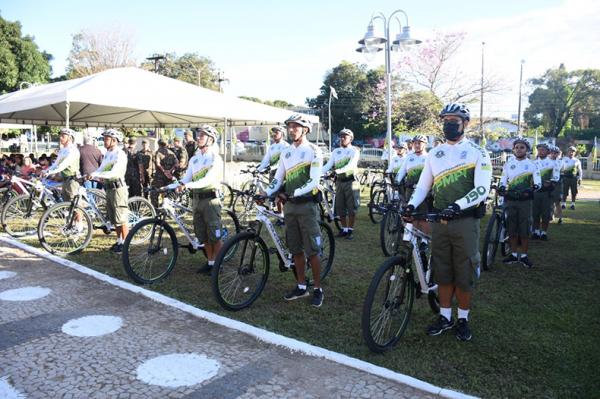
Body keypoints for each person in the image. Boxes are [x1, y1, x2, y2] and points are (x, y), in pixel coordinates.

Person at [402, 103, 492, 341]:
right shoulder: (435, 153)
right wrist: (411, 204)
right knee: (443, 271)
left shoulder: (478, 152)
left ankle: (462, 319)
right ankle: (444, 316)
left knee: (464, 273)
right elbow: (423, 185)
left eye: (455, 120)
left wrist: (457, 206)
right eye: (446, 120)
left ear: (466, 123)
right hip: (439, 221)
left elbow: (482, 189)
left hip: (464, 221)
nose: (449, 124)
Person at [264, 114, 325, 307]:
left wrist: (295, 193)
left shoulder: (314, 151)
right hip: (290, 207)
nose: (291, 130)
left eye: (296, 127)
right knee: (295, 249)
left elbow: (314, 181)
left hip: (307, 206)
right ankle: (300, 286)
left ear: (305, 129)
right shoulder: (286, 152)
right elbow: (278, 177)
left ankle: (317, 288)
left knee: (313, 251)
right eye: (289, 127)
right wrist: (266, 192)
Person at [177, 125, 223, 274]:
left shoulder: (215, 158)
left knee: (214, 235)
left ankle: (218, 265)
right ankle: (210, 262)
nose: (198, 137)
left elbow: (207, 180)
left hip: (210, 200)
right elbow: (186, 177)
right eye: (198, 135)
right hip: (196, 200)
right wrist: (177, 184)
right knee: (202, 235)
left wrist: (187, 185)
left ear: (211, 139)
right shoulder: (195, 159)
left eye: (202, 135)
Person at [498, 138, 541, 267]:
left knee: (524, 228)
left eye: (522, 147)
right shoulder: (508, 164)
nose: (519, 149)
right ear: (513, 149)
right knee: (512, 228)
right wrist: (501, 187)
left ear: (527, 150)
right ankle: (513, 254)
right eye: (516, 147)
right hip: (510, 199)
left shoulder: (533, 164)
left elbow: (538, 183)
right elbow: (503, 179)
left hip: (524, 201)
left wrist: (531, 189)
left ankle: (524, 256)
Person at [89, 129, 129, 253]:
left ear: (114, 140)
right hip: (109, 188)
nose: (104, 141)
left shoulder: (120, 154)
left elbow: (114, 172)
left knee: (121, 218)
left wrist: (96, 174)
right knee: (114, 219)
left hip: (118, 188)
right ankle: (119, 241)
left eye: (106, 139)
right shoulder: (108, 154)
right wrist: (93, 173)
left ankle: (126, 244)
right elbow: (101, 168)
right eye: (104, 139)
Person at [322, 128, 361, 239]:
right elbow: (328, 165)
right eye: (341, 136)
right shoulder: (335, 151)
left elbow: (351, 165)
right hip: (339, 182)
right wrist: (317, 173)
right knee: (340, 206)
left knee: (352, 207)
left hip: (351, 181)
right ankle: (344, 229)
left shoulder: (354, 151)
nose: (342, 138)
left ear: (351, 139)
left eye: (345, 136)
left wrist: (337, 171)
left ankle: (350, 230)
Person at [396, 134, 429, 234]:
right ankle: (408, 237)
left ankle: (424, 241)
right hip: (409, 189)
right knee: (409, 215)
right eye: (415, 143)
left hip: (424, 190)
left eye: (419, 143)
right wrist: (396, 181)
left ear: (425, 145)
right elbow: (402, 171)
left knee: (423, 216)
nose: (417, 145)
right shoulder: (409, 157)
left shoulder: (428, 157)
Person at [258, 126, 290, 217]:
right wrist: (258, 169)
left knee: (281, 196)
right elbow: (265, 160)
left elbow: (285, 161)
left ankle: (287, 215)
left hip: (283, 173)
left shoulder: (286, 146)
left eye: (277, 132)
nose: (274, 134)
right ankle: (281, 214)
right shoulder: (271, 147)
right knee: (276, 195)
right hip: (273, 173)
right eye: (273, 133)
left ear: (282, 134)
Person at [531, 143, 560, 241]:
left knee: (545, 214)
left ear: (548, 152)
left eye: (543, 150)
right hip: (535, 192)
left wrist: (551, 182)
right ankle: (535, 232)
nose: (540, 151)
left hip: (547, 192)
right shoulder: (533, 163)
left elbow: (556, 176)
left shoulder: (553, 163)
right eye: (539, 150)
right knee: (535, 214)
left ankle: (543, 232)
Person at [46, 128, 81, 205]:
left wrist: (50, 172)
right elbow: (56, 164)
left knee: (75, 205)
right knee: (66, 204)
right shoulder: (63, 150)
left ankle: (81, 217)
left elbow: (62, 166)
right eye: (60, 135)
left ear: (70, 138)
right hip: (65, 179)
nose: (60, 137)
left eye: (63, 136)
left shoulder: (73, 150)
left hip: (72, 180)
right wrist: (46, 171)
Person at [150, 139, 179, 207]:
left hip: (159, 177)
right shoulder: (171, 153)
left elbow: (158, 164)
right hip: (169, 177)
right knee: (168, 193)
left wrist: (164, 171)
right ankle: (168, 209)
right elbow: (177, 164)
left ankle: (155, 209)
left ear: (159, 144)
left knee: (154, 193)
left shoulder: (158, 152)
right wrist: (170, 171)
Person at [560, 146, 582, 210]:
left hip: (574, 178)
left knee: (574, 191)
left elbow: (580, 170)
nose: (571, 152)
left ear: (575, 153)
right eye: (570, 151)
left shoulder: (577, 160)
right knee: (564, 191)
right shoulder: (564, 159)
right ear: (568, 151)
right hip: (565, 178)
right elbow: (560, 168)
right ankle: (563, 204)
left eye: (573, 151)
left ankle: (573, 204)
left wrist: (580, 178)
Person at [549, 146, 564, 223]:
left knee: (557, 201)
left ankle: (560, 217)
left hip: (557, 183)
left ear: (558, 154)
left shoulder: (560, 162)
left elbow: (560, 170)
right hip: (548, 183)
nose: (554, 154)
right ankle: (551, 215)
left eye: (556, 153)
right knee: (550, 201)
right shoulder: (547, 161)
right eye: (552, 153)